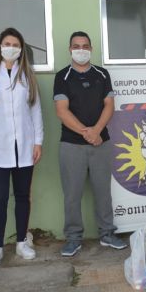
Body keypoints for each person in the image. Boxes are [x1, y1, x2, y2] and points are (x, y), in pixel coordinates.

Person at [53, 31, 127, 257]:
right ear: (70, 49)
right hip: (71, 145)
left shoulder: (102, 74)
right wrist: (87, 133)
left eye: (85, 46)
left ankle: (107, 234)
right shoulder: (62, 76)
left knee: (103, 192)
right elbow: (61, 111)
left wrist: (96, 131)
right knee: (72, 194)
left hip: (100, 144)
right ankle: (73, 238)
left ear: (91, 49)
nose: (81, 50)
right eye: (76, 46)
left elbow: (109, 105)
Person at [0, 27, 43, 267]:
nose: (11, 48)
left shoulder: (27, 75)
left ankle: (22, 243)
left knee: (23, 196)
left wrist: (38, 142)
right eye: (7, 43)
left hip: (24, 146)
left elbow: (35, 111)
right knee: (1, 198)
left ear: (21, 49)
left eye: (15, 44)